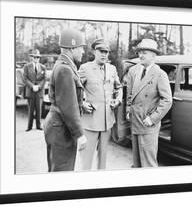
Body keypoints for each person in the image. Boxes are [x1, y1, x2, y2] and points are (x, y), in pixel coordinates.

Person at [44, 28, 87, 172]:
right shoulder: (65, 69)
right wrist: (79, 134)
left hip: (58, 126)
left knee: (56, 169)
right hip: (61, 130)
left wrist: (82, 104)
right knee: (62, 172)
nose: (83, 51)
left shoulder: (65, 66)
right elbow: (68, 107)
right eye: (81, 48)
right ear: (72, 47)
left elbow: (67, 98)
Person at [125, 38, 172, 167]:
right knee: (137, 162)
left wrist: (152, 119)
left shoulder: (160, 74)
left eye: (144, 52)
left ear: (153, 55)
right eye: (139, 52)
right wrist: (128, 110)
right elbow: (129, 95)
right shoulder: (133, 71)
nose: (140, 55)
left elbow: (167, 100)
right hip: (135, 121)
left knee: (148, 163)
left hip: (148, 124)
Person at [78, 39, 122, 170]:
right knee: (86, 159)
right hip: (90, 121)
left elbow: (118, 88)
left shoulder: (112, 69)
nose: (104, 55)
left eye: (106, 52)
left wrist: (118, 100)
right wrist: (82, 103)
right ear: (94, 52)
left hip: (107, 121)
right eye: (101, 51)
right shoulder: (85, 68)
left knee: (103, 160)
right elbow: (75, 89)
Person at [23, 49, 46, 131]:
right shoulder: (26, 66)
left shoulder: (43, 67)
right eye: (35, 57)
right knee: (31, 109)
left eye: (38, 57)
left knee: (39, 109)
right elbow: (25, 78)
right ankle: (29, 126)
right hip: (31, 91)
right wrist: (32, 86)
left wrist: (39, 87)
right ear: (32, 57)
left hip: (39, 92)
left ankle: (39, 125)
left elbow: (44, 79)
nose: (37, 59)